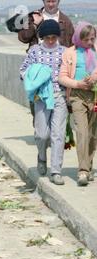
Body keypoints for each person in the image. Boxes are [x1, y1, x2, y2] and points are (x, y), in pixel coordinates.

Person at [20, 20, 68, 185]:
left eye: (53, 37)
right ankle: (41, 156)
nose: (50, 41)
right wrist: (33, 78)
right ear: (42, 37)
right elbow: (23, 70)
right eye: (47, 37)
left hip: (60, 95)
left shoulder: (64, 52)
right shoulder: (35, 51)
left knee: (58, 134)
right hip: (40, 97)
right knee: (42, 134)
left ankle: (56, 170)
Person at [59, 22, 97, 186]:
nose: (90, 42)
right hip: (77, 96)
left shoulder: (95, 51)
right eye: (87, 39)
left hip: (94, 96)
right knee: (81, 132)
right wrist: (77, 84)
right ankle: (82, 171)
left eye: (92, 39)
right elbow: (62, 77)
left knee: (92, 135)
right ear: (79, 38)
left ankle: (88, 166)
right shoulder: (70, 53)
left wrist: (94, 76)